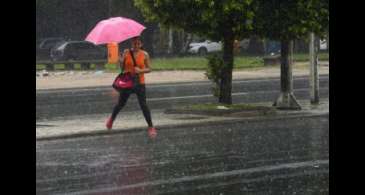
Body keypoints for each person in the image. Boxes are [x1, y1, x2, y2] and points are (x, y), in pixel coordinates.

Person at [106, 36, 157, 138]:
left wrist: (140, 71)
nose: (136, 45)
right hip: (127, 83)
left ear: (141, 44)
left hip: (140, 83)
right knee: (120, 104)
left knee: (143, 105)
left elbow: (149, 69)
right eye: (134, 43)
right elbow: (123, 68)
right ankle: (111, 120)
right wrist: (121, 61)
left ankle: (151, 127)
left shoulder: (144, 54)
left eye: (138, 43)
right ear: (131, 43)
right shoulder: (126, 52)